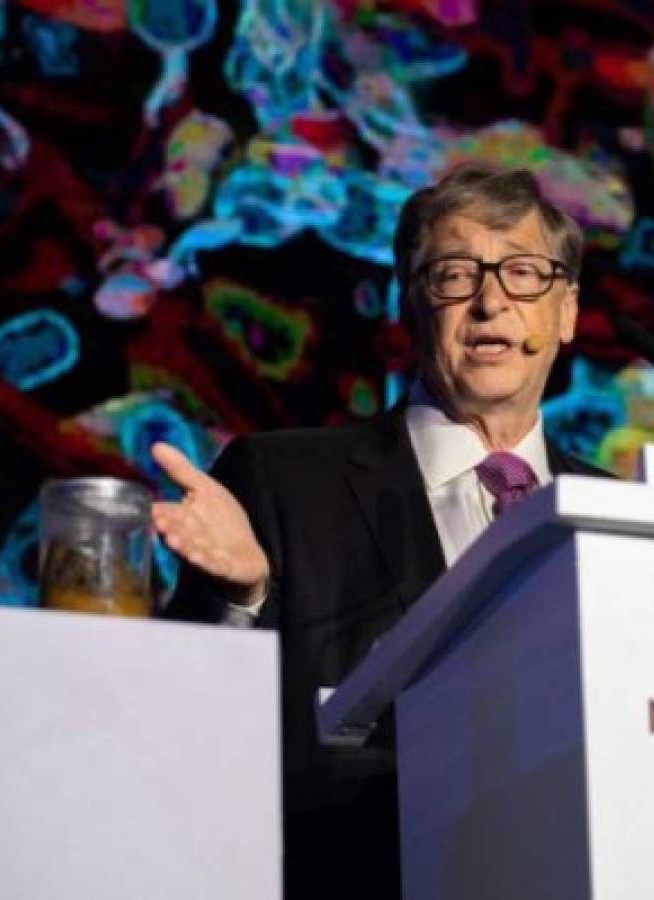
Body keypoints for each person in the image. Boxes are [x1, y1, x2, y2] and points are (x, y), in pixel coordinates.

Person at [153, 164, 610, 899]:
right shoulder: (283, 481)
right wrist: (236, 599)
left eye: (525, 273)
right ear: (413, 306)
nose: (492, 301)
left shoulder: (618, 515)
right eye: (456, 275)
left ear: (566, 312)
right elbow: (182, 722)